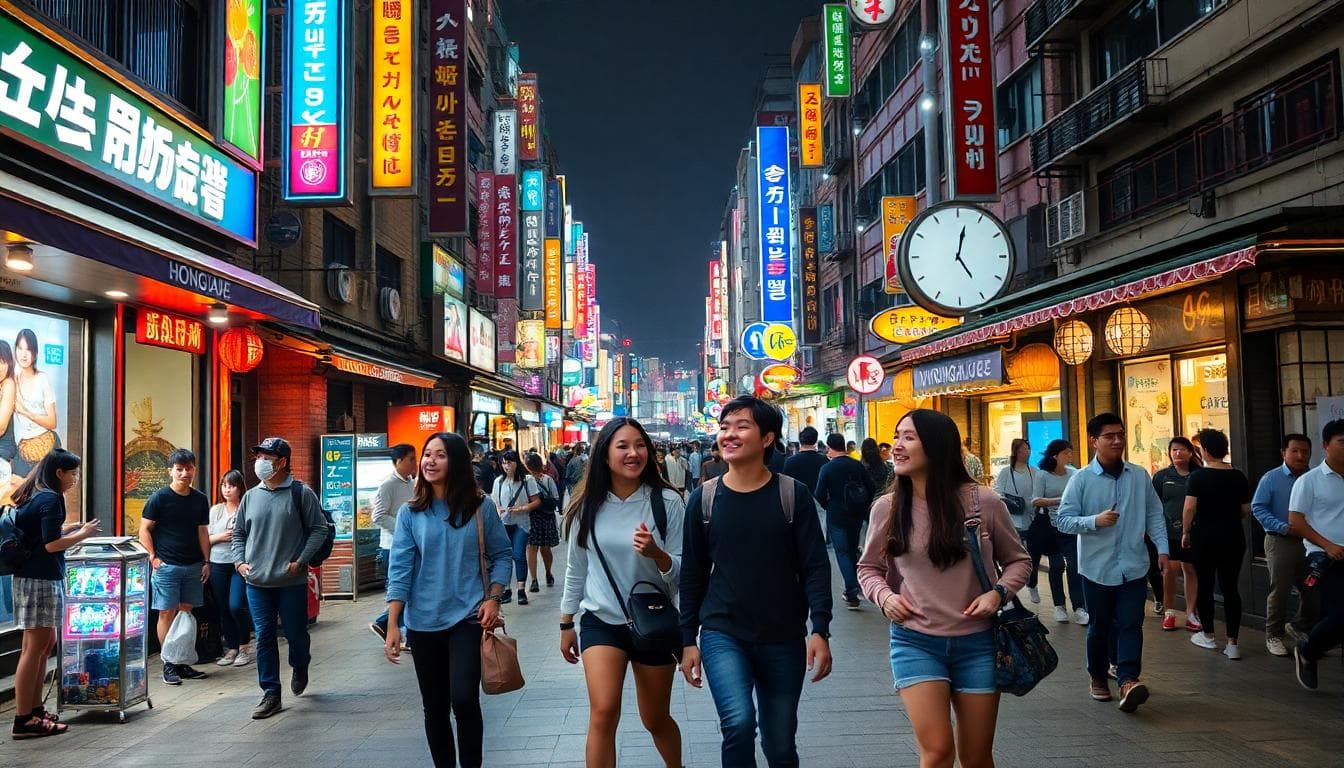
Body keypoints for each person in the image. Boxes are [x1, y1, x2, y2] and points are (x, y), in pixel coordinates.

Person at [858, 410, 1030, 768]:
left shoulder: (982, 501)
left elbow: (1019, 561)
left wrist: (998, 593)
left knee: (976, 757)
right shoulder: (887, 507)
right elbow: (869, 568)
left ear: (937, 446)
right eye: (897, 436)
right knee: (937, 752)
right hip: (915, 642)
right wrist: (885, 597)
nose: (898, 446)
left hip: (979, 644)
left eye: (910, 437)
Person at [680, 396, 833, 767]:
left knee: (780, 743)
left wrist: (820, 630)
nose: (729, 435)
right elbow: (693, 572)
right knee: (738, 722)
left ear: (767, 438)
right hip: (722, 630)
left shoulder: (792, 494)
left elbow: (815, 565)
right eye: (725, 427)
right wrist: (687, 640)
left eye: (741, 426)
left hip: (783, 635)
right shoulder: (705, 499)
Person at [560, 417, 685, 768]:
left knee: (655, 719)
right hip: (602, 621)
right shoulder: (587, 506)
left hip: (654, 621)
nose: (634, 453)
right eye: (623, 446)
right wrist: (566, 622)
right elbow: (576, 569)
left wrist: (658, 555)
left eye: (640, 445)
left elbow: (683, 573)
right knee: (602, 712)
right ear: (604, 456)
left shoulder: (667, 502)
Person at [384, 432, 511, 768]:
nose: (430, 461)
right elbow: (400, 569)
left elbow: (502, 555)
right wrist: (394, 623)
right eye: (427, 454)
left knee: (465, 699)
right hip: (423, 622)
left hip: (468, 619)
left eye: (439, 455)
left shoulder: (481, 507)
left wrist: (494, 599)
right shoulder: (411, 513)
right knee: (435, 706)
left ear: (455, 461)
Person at [1055, 413, 1168, 712]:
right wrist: (1095, 521)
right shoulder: (1081, 479)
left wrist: (1164, 550)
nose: (1117, 440)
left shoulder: (1139, 475)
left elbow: (1155, 514)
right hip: (1096, 568)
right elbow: (1063, 521)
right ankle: (1097, 676)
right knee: (1100, 627)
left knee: (1132, 623)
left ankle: (1128, 679)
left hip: (1134, 565)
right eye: (1109, 436)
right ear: (1094, 441)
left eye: (1120, 434)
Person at [231, 437, 329, 719]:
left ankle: (300, 664)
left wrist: (301, 560)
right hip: (257, 582)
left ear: (282, 461)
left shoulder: (301, 493)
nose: (260, 461)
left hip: (290, 582)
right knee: (263, 636)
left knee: (296, 635)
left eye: (267, 456)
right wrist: (239, 562)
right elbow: (239, 534)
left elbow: (319, 529)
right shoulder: (250, 496)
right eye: (258, 455)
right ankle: (270, 693)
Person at [10, 449, 96, 739]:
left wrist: (67, 529)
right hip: (39, 580)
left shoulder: (40, 494)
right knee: (35, 648)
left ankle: (34, 710)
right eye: (73, 473)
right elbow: (51, 546)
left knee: (42, 645)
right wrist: (82, 534)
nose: (75, 479)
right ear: (59, 473)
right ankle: (24, 718)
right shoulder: (50, 497)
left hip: (35, 578)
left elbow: (44, 534)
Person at [138, 448, 211, 686]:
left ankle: (182, 661)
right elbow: (144, 530)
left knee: (186, 613)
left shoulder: (200, 499)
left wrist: (206, 561)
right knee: (166, 612)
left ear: (194, 470)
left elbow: (203, 531)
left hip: (193, 565)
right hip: (167, 566)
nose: (184, 473)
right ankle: (168, 663)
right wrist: (153, 557)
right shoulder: (159, 498)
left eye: (188, 468)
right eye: (179, 469)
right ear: (170, 471)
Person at [1181, 428, 1251, 659]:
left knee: (1205, 585)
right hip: (1233, 537)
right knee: (1231, 588)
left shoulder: (1198, 476)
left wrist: (1185, 531)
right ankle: (1233, 643)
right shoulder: (1238, 476)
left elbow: (1190, 507)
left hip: (1205, 537)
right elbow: (1245, 510)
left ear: (1206, 450)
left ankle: (1208, 635)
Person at [1289, 419, 1344, 690]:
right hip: (1325, 558)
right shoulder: (1309, 481)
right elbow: (1296, 521)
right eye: (1342, 442)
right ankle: (1308, 649)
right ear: (1325, 445)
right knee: (1340, 614)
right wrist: (1327, 545)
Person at [1252, 433, 1317, 657]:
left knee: (1313, 589)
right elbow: (1258, 507)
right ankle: (1274, 635)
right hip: (1281, 541)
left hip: (1312, 542)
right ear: (1284, 453)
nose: (1300, 456)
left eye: (1305, 452)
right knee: (1279, 590)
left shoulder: (1314, 478)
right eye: (1295, 451)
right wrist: (1282, 527)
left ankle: (1301, 628)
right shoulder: (1271, 478)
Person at [816, 432, 876, 610]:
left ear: (829, 447)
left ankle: (851, 589)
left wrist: (829, 505)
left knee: (841, 552)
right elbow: (871, 486)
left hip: (836, 515)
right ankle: (855, 585)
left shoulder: (827, 468)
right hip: (856, 514)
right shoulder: (856, 465)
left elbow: (819, 494)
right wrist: (863, 504)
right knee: (851, 549)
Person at [1032, 440, 1086, 624]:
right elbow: (1035, 500)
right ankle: (1059, 606)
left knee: (1074, 566)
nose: (1069, 456)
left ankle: (1079, 606)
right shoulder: (1043, 475)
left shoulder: (1074, 473)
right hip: (1050, 527)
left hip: (1070, 526)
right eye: (1066, 453)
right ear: (1055, 456)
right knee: (1056, 565)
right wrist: (1058, 500)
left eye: (1070, 453)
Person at [1152, 438, 1203, 632]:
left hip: (1193, 532)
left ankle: (1191, 613)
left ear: (1191, 452)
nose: (1177, 453)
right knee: (1170, 570)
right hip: (1168, 532)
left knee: (1191, 570)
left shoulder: (1199, 475)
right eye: (1174, 450)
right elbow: (1153, 504)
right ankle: (1169, 612)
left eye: (1182, 450)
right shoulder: (1162, 476)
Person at [370, 444, 416, 642]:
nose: (415, 463)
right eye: (411, 459)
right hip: (392, 546)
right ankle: (386, 624)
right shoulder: (387, 485)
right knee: (401, 588)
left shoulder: (410, 482)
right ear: (398, 462)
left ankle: (392, 627)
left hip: (410, 545)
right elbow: (377, 516)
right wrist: (403, 529)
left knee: (410, 588)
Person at [207, 470, 251, 667]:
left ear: (240, 488)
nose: (227, 489)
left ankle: (244, 647)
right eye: (224, 485)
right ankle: (231, 648)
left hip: (239, 564)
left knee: (236, 605)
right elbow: (205, 538)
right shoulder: (215, 510)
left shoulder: (246, 507)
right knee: (223, 607)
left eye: (231, 485)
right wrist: (220, 537)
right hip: (217, 563)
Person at [995, 439, 1046, 604]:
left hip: (1032, 519)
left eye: (1028, 449)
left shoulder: (1035, 471)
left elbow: (1040, 493)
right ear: (1016, 451)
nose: (1027, 452)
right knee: (1011, 556)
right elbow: (998, 493)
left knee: (1033, 556)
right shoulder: (1006, 472)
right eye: (1023, 449)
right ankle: (1007, 590)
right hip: (1012, 521)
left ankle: (1032, 584)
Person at [491, 450, 539, 606]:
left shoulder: (527, 480)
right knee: (504, 557)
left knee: (518, 555)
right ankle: (506, 589)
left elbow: (536, 501)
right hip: (503, 524)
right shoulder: (498, 481)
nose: (506, 466)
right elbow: (494, 503)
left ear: (517, 462)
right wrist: (498, 509)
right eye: (504, 462)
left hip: (521, 523)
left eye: (509, 462)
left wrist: (523, 508)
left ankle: (520, 590)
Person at [12, 329, 58, 478]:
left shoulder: (42, 379)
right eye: (20, 348)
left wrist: (26, 413)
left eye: (28, 349)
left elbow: (52, 422)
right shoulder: (12, 381)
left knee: (47, 495)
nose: (24, 354)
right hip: (23, 450)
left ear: (35, 353)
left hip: (47, 444)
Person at [524, 452, 561, 591]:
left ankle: (534, 579)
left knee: (532, 548)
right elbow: (555, 497)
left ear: (527, 466)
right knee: (545, 548)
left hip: (532, 516)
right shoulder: (547, 479)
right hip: (546, 516)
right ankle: (547, 573)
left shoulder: (526, 480)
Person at [782, 427, 828, 495]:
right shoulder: (825, 461)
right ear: (815, 440)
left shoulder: (790, 461)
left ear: (800, 440)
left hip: (797, 501)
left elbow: (785, 486)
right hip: (820, 503)